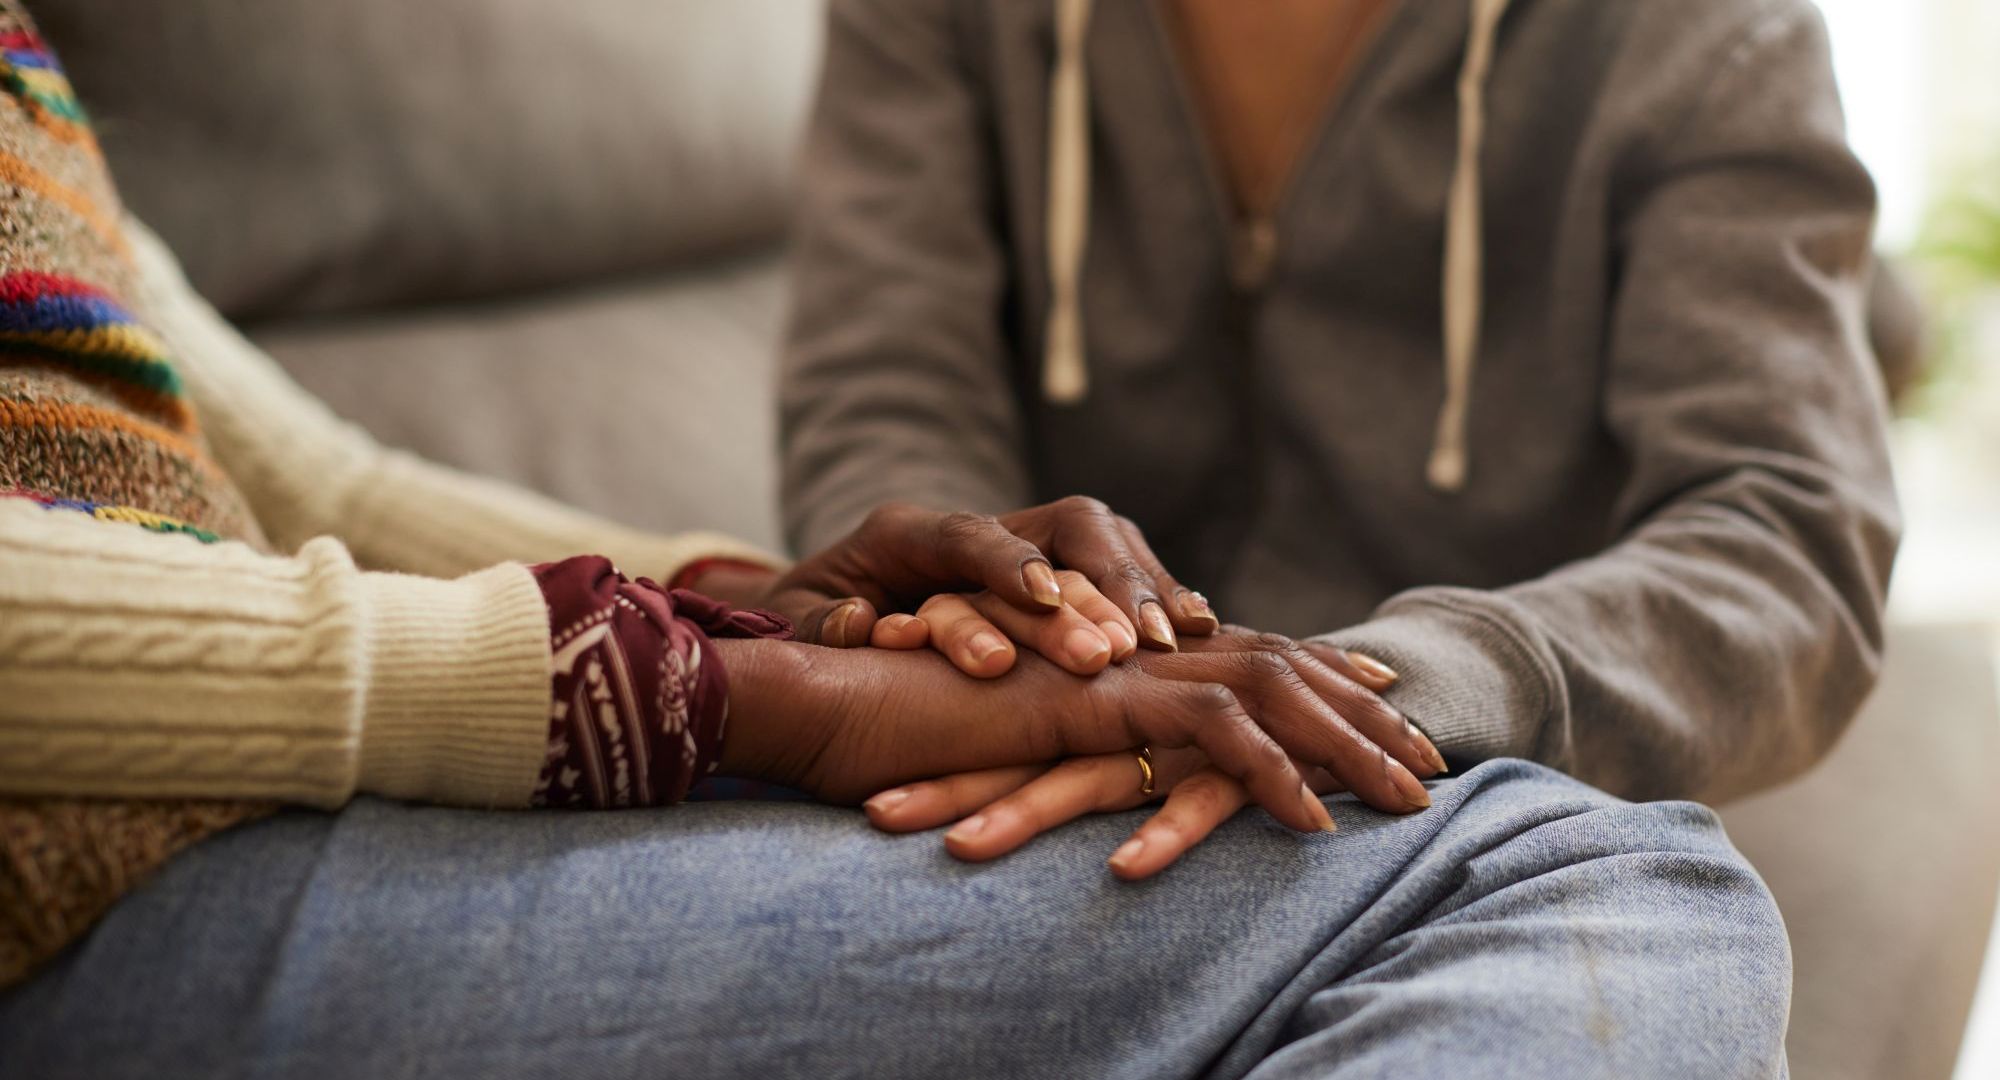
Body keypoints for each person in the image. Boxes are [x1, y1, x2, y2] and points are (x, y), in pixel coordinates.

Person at [0, 3, 1793, 1076]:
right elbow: (883, 391)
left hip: (248, 792)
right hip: (94, 884)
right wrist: (727, 692)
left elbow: (292, 470)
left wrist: (751, 610)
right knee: (1596, 893)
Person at [781, 0, 1901, 872]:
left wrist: (1388, 694)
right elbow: (885, 390)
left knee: (1690, 944)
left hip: (1471, 776)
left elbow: (1787, 538)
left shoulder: (1701, 33)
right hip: (1029, 732)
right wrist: (990, 625)